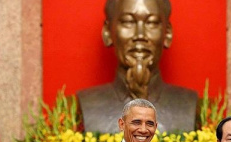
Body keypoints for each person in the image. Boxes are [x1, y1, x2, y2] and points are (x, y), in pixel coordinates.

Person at [77, 0, 198, 134]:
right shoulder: (88, 104)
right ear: (107, 32)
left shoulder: (190, 105)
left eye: (151, 23)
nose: (140, 35)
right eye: (128, 22)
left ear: (167, 33)